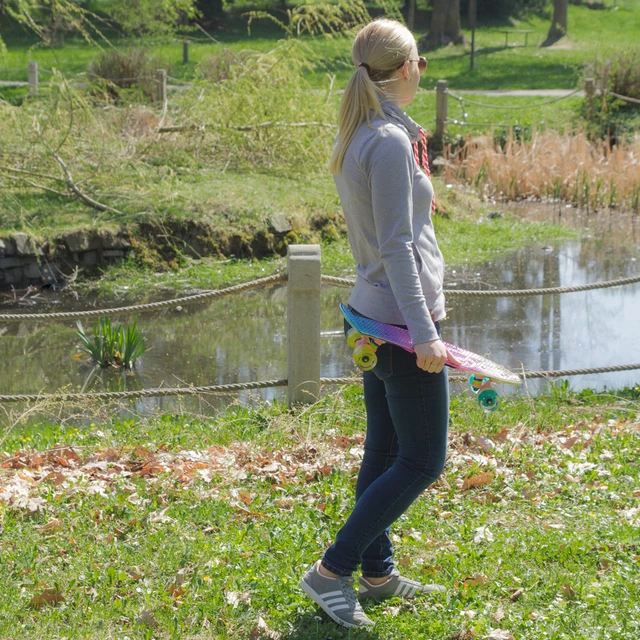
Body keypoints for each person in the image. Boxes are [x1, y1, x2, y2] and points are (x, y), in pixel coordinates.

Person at [299, 18, 458, 629]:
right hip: (396, 322)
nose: (424, 69)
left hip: (370, 313)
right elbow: (398, 248)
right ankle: (331, 571)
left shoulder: (365, 130)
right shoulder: (389, 143)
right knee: (422, 460)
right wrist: (426, 334)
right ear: (407, 68)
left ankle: (377, 572)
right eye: (420, 60)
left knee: (385, 447)